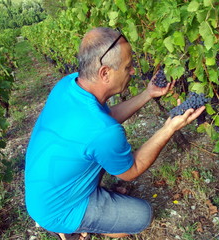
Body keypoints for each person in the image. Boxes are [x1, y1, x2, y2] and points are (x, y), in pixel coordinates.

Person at [24, 27, 205, 240]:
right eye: (128, 67)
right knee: (140, 217)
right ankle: (71, 230)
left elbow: (106, 117)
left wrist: (148, 93)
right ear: (105, 73)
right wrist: (169, 128)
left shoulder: (68, 84)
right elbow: (131, 170)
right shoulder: (103, 131)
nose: (133, 72)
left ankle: (87, 205)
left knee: (97, 153)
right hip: (56, 211)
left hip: (42, 195)